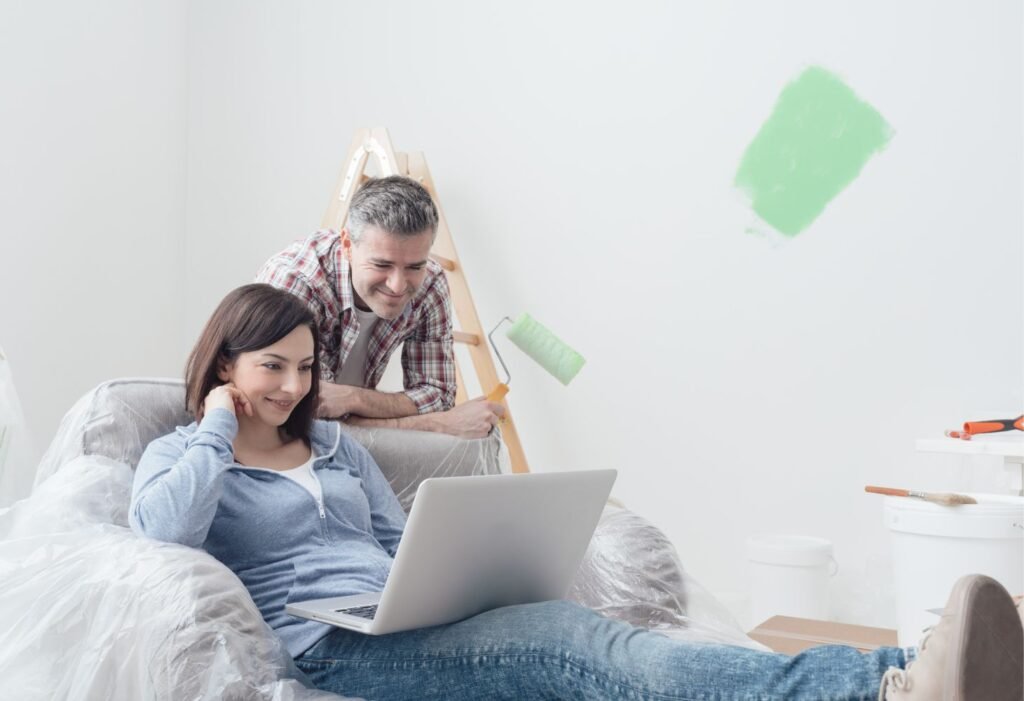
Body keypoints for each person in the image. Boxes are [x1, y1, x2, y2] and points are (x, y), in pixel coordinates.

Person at [129, 284, 1023, 701]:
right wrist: (217, 422)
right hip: (329, 649)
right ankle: (887, 683)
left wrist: (460, 571)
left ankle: (908, 673)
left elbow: (399, 545)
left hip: (395, 616)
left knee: (600, 646)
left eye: (305, 367)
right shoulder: (182, 454)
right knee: (586, 647)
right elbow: (164, 529)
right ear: (223, 365)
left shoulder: (333, 449)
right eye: (271, 368)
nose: (292, 385)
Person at [256, 175, 503, 439]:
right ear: (348, 246)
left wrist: (353, 398)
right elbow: (307, 420)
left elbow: (438, 394)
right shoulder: (295, 284)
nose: (397, 285)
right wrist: (436, 424)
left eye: (414, 267)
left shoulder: (430, 282)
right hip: (269, 441)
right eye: (382, 265)